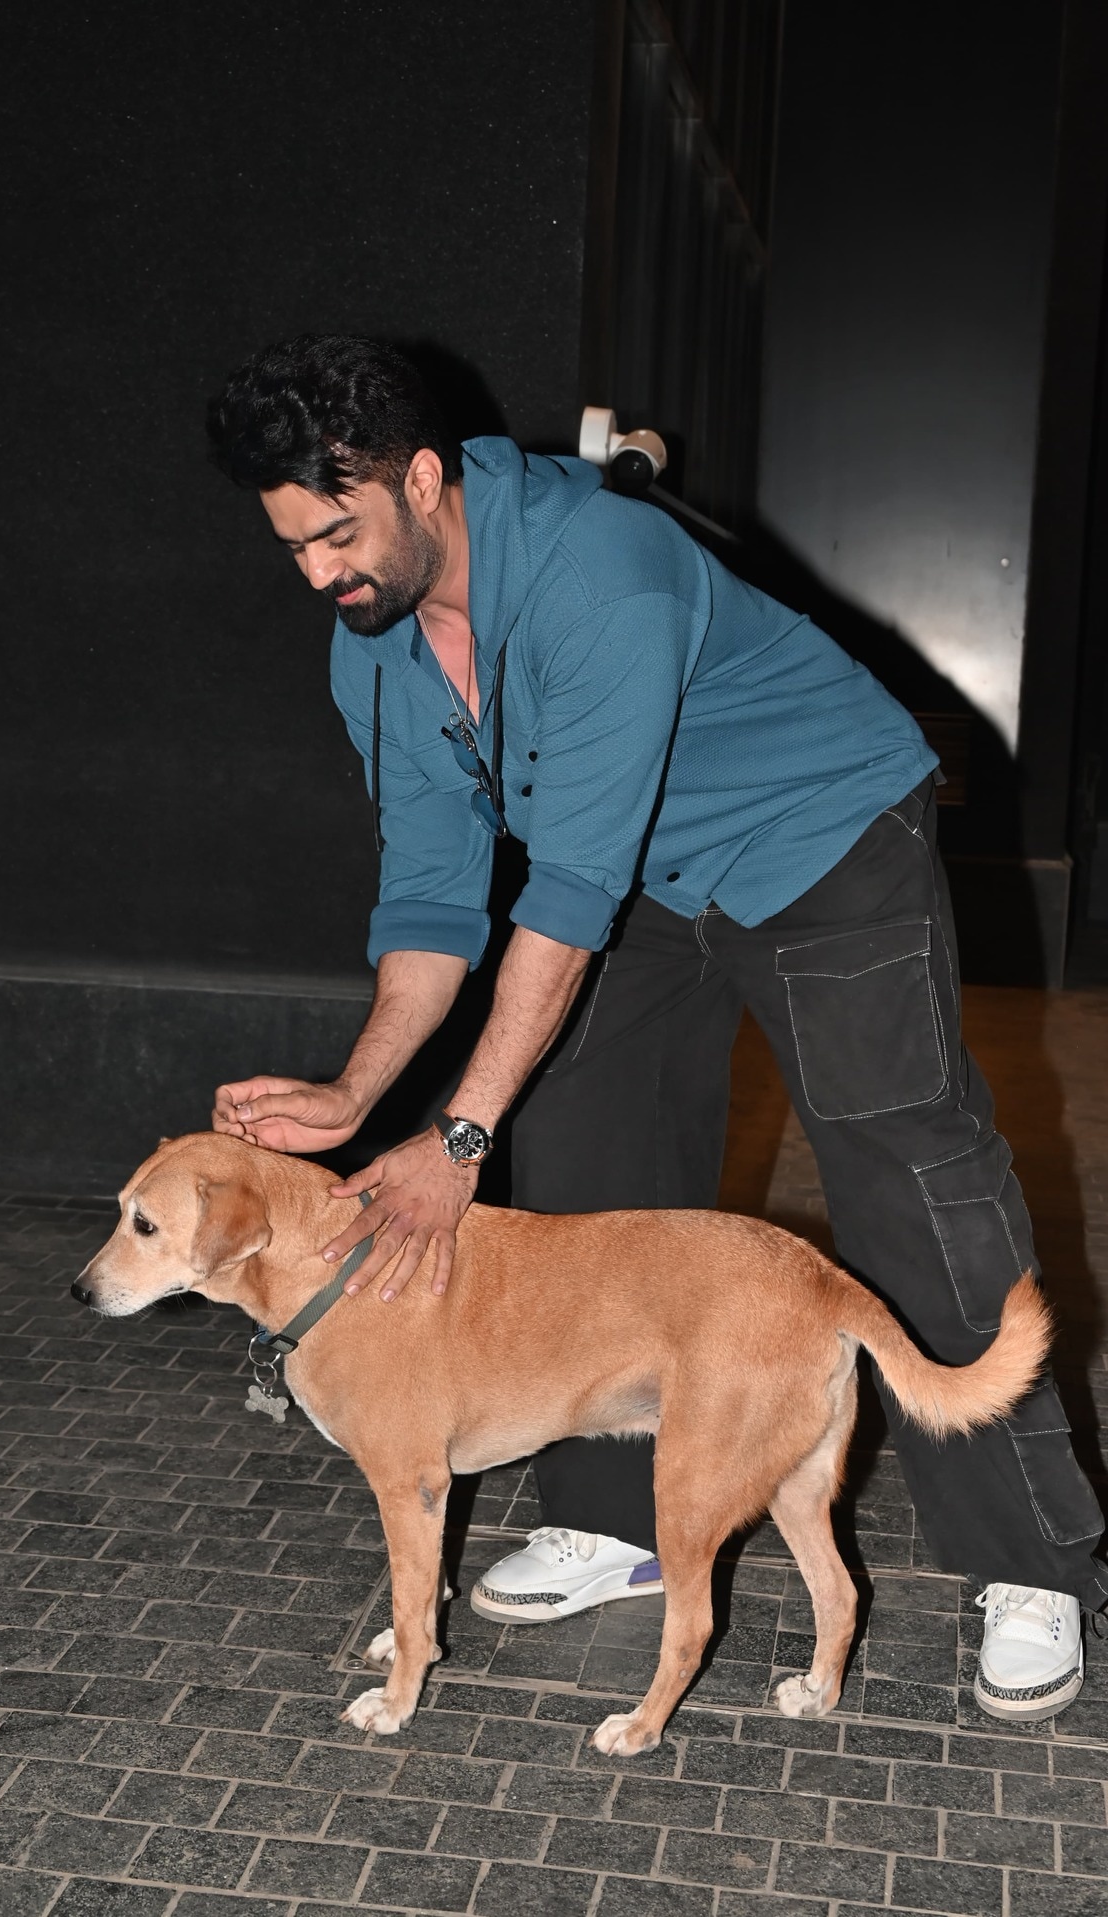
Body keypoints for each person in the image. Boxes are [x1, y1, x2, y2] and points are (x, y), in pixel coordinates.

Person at [205, 332, 1105, 1721]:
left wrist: (455, 1131)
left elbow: (560, 900)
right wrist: (352, 1090)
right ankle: (620, 1515)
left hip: (819, 840)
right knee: (586, 1138)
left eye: (338, 532)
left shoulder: (597, 572)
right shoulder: (374, 651)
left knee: (901, 1166)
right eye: (294, 547)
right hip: (646, 879)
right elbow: (437, 901)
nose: (324, 573)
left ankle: (1031, 1559)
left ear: (426, 480)